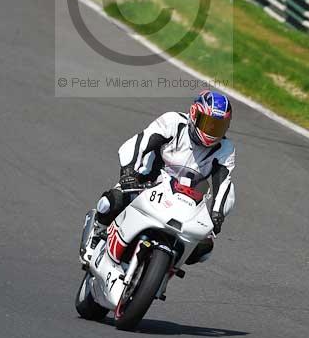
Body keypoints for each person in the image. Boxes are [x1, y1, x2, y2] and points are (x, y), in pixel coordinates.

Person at [94, 90, 235, 265]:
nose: (212, 131)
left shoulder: (225, 149)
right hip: (146, 184)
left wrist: (217, 214)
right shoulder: (173, 122)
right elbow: (140, 142)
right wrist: (128, 172)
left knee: (204, 248)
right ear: (194, 113)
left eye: (218, 127)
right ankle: (97, 233)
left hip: (186, 204)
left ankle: (164, 273)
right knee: (111, 202)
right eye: (208, 123)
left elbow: (224, 184)